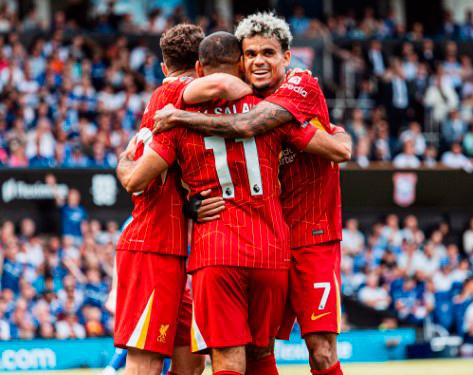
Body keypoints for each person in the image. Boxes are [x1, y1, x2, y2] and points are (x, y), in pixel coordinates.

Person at [126, 28, 349, 375]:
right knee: (261, 354)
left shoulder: (174, 115)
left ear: (200, 69)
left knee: (225, 360)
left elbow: (138, 179)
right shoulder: (271, 112)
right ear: (241, 65)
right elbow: (335, 148)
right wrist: (337, 132)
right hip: (271, 249)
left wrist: (125, 163)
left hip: (216, 249)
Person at [114, 24, 208, 375]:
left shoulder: (164, 100)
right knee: (147, 363)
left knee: (192, 362)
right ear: (201, 66)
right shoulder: (175, 95)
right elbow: (136, 178)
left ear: (163, 65)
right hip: (153, 245)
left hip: (182, 252)